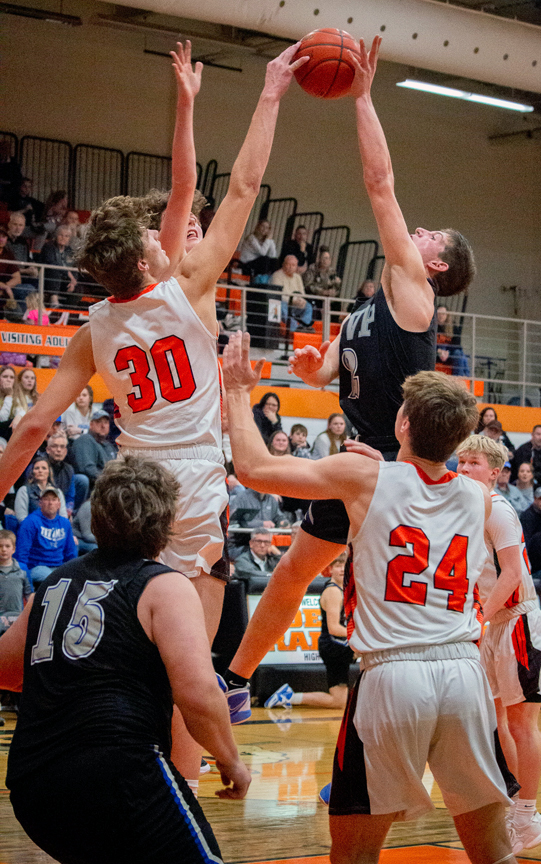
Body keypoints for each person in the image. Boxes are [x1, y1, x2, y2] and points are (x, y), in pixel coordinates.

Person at [0, 41, 309, 783]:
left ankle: (111, 749)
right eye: (149, 234)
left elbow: (35, 426)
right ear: (143, 259)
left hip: (126, 488)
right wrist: (270, 93)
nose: (161, 231)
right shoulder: (188, 287)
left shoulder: (90, 330)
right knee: (186, 660)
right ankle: (186, 785)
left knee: (128, 635)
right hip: (192, 489)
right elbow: (240, 184)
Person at [222, 36, 476, 714]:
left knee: (375, 602)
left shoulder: (415, 298)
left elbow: (379, 185)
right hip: (358, 462)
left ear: (438, 267)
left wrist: (363, 96)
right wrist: (312, 368)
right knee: (291, 572)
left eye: (430, 236)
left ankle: (411, 711)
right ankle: (237, 680)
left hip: (396, 470)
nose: (415, 230)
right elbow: (329, 365)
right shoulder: (371, 306)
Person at [222, 331, 516, 864]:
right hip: (464, 675)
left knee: (353, 855)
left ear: (401, 424)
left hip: (392, 678)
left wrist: (238, 391)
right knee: (493, 850)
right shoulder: (480, 495)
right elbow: (424, 481)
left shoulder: (363, 475)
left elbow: (253, 470)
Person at [0, 456, 250, 864]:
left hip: (33, 785)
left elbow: (7, 671)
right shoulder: (164, 585)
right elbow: (197, 694)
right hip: (119, 773)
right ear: (166, 521)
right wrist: (231, 760)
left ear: (96, 517)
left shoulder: (52, 583)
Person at [456, 435, 541, 854]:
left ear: (493, 471)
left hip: (517, 621)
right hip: (495, 623)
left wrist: (478, 620)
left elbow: (511, 572)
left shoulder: (500, 510)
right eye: (459, 461)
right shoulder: (467, 511)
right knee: (494, 721)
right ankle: (516, 805)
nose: (463, 469)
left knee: (520, 724)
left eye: (472, 462)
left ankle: (526, 817)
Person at [265, 552, 355, 710]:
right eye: (338, 565)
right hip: (334, 645)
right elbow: (334, 628)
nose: (342, 569)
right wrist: (359, 637)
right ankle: (289, 696)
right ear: (330, 569)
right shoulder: (333, 592)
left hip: (337, 644)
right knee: (369, 650)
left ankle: (290, 697)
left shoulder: (344, 590)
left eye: (344, 566)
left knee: (340, 700)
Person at [14, 486, 77, 586]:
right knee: (56, 580)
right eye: (46, 499)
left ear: (59, 504)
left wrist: (75, 572)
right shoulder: (30, 522)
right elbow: (21, 554)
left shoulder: (65, 523)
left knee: (72, 579)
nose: (50, 503)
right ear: (40, 503)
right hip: (36, 566)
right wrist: (24, 578)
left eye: (53, 499)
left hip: (59, 566)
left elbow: (70, 552)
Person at [68, 410, 118, 489]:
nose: (103, 426)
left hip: (109, 485)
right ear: (91, 425)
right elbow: (87, 469)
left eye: (106, 422)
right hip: (94, 489)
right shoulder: (85, 440)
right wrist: (111, 480)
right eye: (98, 422)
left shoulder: (108, 445)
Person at [14, 456, 68, 523]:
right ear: (32, 472)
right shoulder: (24, 490)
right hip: (32, 529)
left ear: (49, 472)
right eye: (37, 468)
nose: (40, 471)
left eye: (44, 468)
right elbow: (21, 518)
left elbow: (63, 517)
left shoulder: (58, 492)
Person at [270, 253, 314, 331]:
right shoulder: (276, 275)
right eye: (288, 264)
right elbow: (278, 295)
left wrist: (301, 300)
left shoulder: (298, 277)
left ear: (296, 267)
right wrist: (293, 301)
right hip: (283, 304)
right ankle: (294, 329)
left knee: (308, 306)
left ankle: (304, 326)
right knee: (281, 306)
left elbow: (302, 293)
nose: (290, 267)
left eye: (293, 265)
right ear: (283, 264)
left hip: (295, 304)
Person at [0, 529, 31, 636]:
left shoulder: (22, 569)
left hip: (17, 615)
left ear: (13, 549)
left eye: (7, 546)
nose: (3, 549)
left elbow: (28, 593)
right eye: (0, 546)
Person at [510, 425, 541, 490]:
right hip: (526, 481)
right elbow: (523, 473)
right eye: (538, 434)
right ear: (532, 435)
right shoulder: (523, 450)